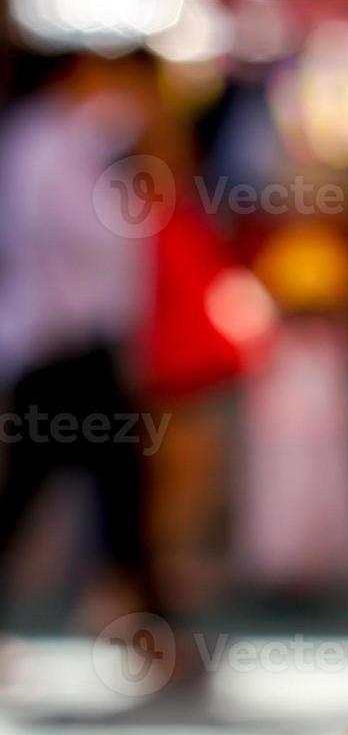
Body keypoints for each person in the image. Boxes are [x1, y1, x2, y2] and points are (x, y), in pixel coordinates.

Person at [0, 51, 200, 688]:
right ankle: (152, 635)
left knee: (105, 493)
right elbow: (79, 240)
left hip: (84, 348)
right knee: (103, 492)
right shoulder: (44, 143)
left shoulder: (79, 141)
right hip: (62, 348)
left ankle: (149, 632)